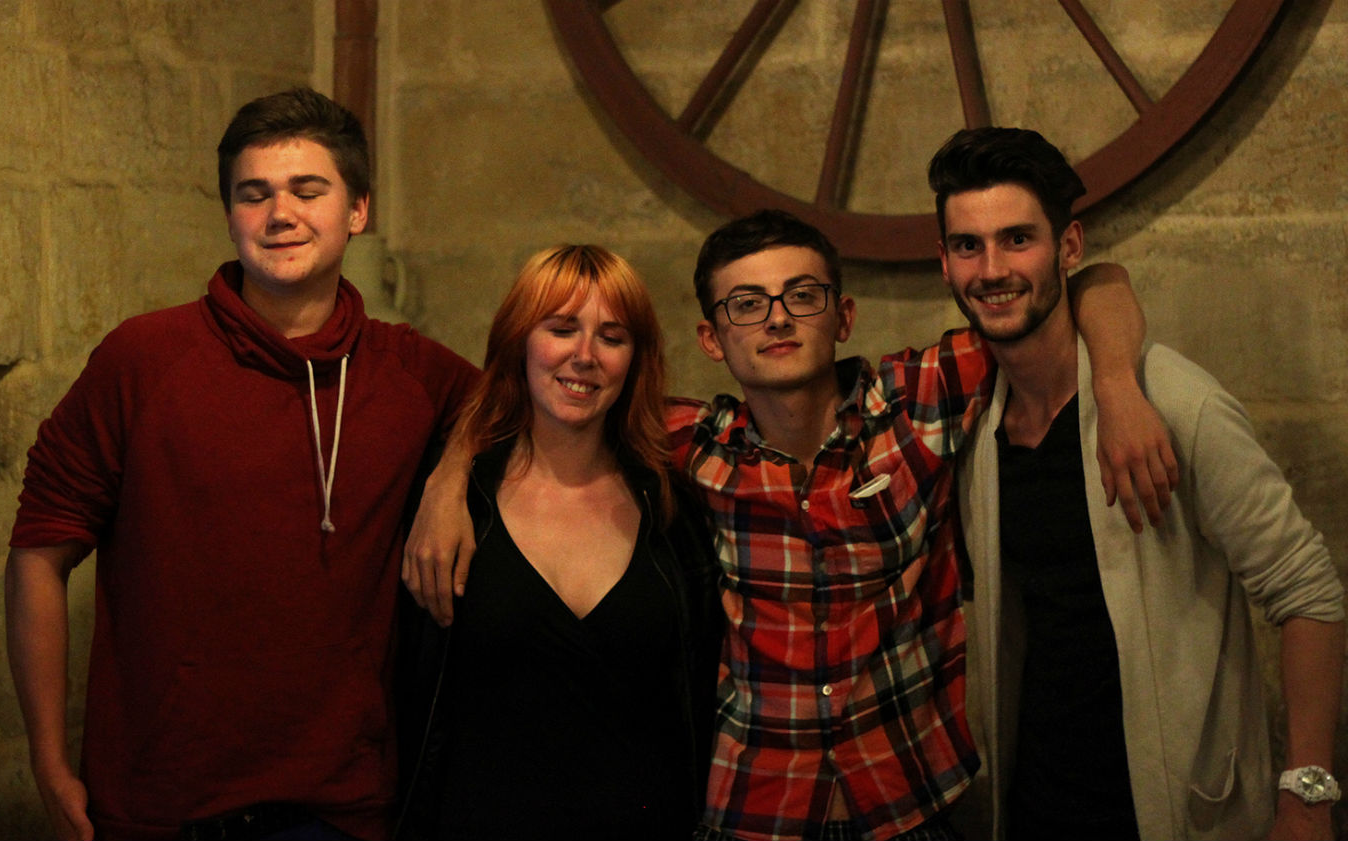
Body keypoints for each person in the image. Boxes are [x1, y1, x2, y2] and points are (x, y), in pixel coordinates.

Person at [406, 208, 1175, 840]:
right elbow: (543, 396)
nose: (776, 318)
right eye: (747, 303)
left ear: (843, 316)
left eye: (801, 295)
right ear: (712, 338)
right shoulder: (692, 446)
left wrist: (1115, 383)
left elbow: (1092, 283)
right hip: (754, 814)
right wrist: (449, 477)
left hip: (909, 807)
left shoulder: (917, 403)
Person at [4, 88, 478, 841]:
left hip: (343, 805)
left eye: (308, 191)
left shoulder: (410, 372)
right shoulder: (143, 360)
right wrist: (47, 757)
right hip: (164, 805)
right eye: (254, 194)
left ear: (358, 209)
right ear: (230, 215)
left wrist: (450, 480)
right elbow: (38, 548)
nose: (280, 213)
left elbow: (512, 405)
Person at [931, 126, 1345, 841]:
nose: (992, 269)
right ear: (944, 262)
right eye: (969, 245)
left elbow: (1309, 591)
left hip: (1180, 816)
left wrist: (1306, 801)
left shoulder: (1175, 403)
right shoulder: (966, 419)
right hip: (1034, 810)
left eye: (1017, 239)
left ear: (1068, 246)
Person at [392, 245, 722, 840]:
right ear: (520, 340)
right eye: (562, 329)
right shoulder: (456, 500)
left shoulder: (672, 506)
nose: (585, 355)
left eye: (612, 337)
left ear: (635, 359)